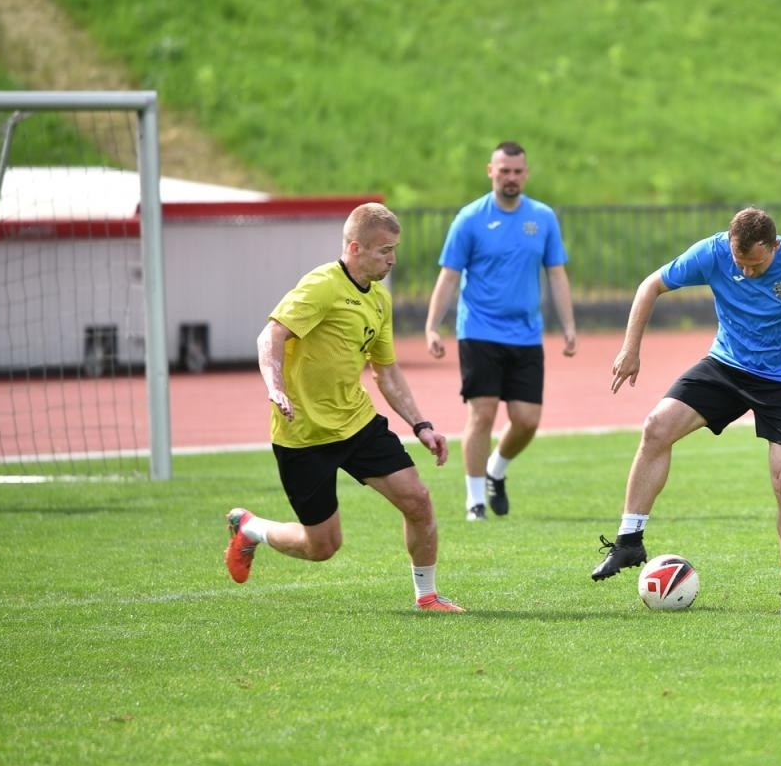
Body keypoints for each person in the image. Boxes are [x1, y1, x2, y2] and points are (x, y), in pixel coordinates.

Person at [595, 207, 781, 613]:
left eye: (757, 263)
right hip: (727, 365)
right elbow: (651, 285)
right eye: (740, 263)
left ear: (775, 246)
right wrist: (630, 349)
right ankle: (629, 541)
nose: (748, 272)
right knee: (656, 427)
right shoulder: (713, 252)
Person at [225, 203, 464, 612]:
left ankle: (427, 596)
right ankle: (251, 528)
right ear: (355, 248)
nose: (392, 259)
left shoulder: (379, 301)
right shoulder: (322, 285)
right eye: (384, 250)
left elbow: (385, 372)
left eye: (395, 249)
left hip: (356, 423)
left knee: (418, 501)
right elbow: (271, 336)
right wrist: (276, 387)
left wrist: (421, 425)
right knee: (322, 546)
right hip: (302, 435)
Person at [425, 142, 576, 521]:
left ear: (526, 173)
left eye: (517, 171)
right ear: (490, 171)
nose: (511, 177)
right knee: (483, 413)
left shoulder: (543, 218)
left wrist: (569, 325)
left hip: (526, 334)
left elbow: (556, 274)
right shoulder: (470, 218)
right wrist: (432, 326)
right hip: (478, 329)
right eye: (504, 170)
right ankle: (475, 500)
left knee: (527, 420)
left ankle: (496, 469)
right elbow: (449, 276)